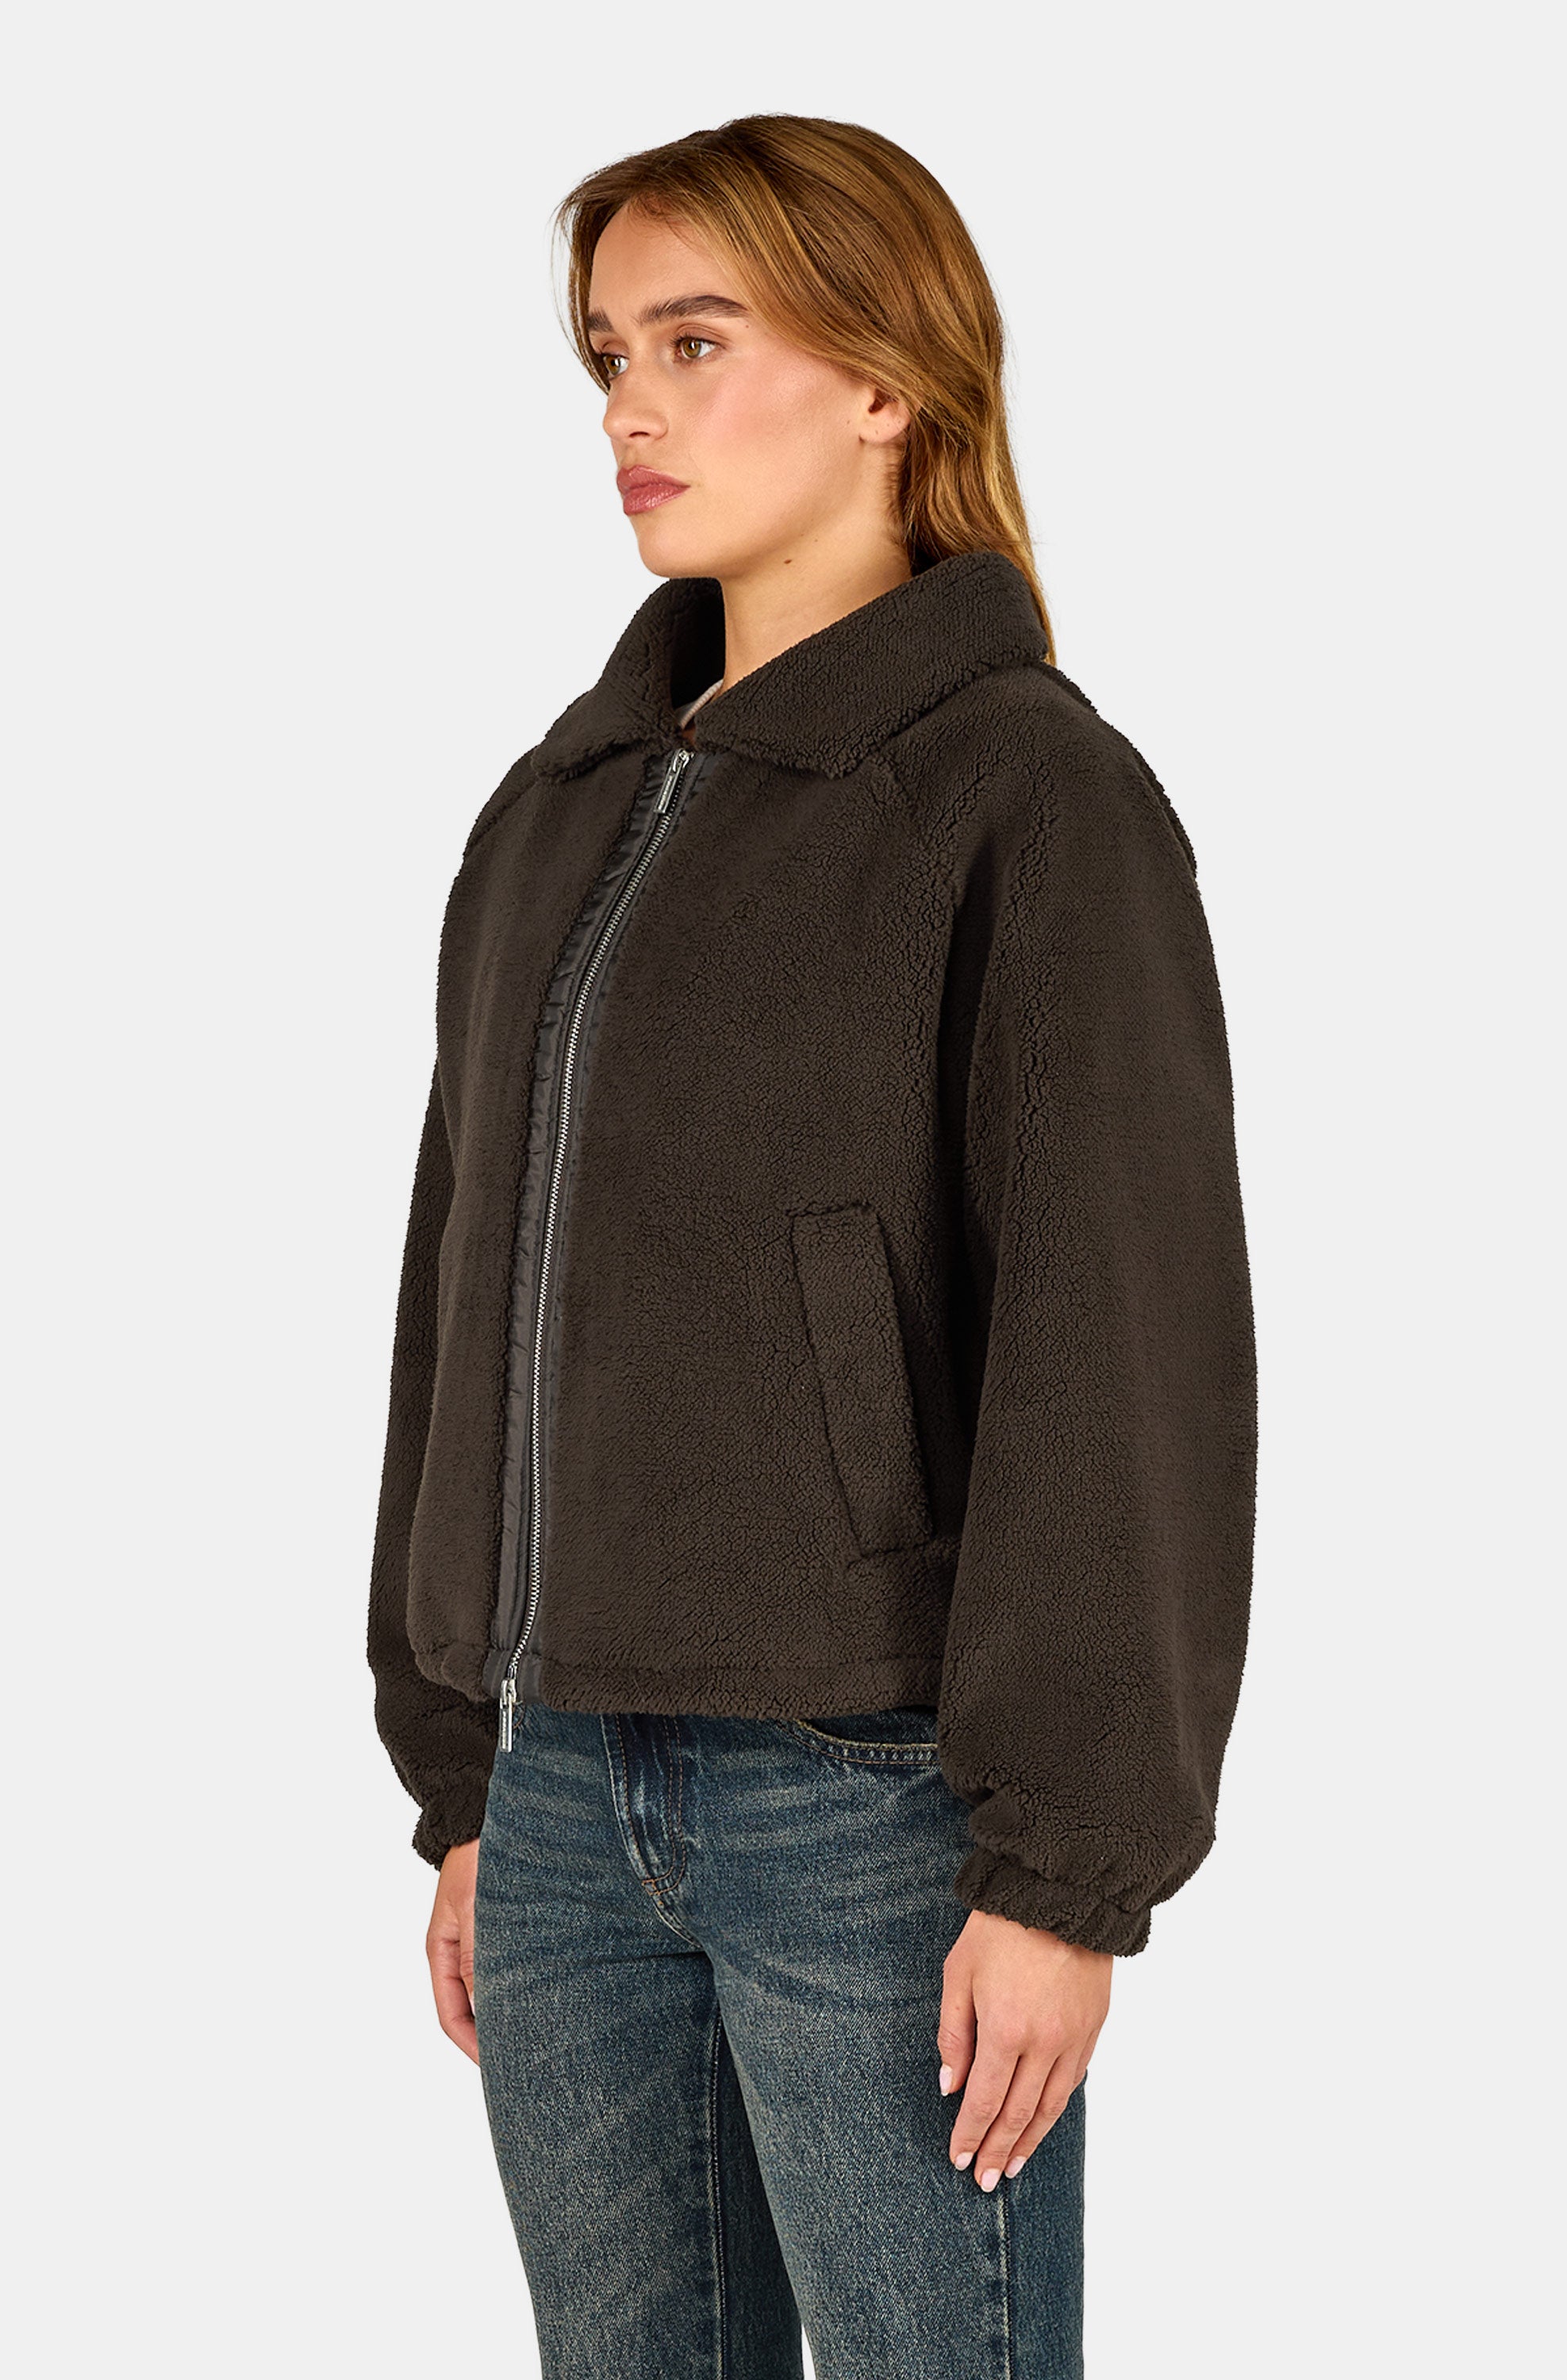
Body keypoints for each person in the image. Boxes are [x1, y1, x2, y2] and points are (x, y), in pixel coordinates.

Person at [367, 113, 1257, 2379]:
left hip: (865, 1810)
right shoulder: (558, 810)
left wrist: (1065, 1873)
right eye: (607, 355)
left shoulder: (1026, 797)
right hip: (557, 1801)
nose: (629, 410)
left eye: (696, 341)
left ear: (886, 378)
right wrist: (466, 1776)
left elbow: (1118, 1344)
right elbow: (460, 1289)